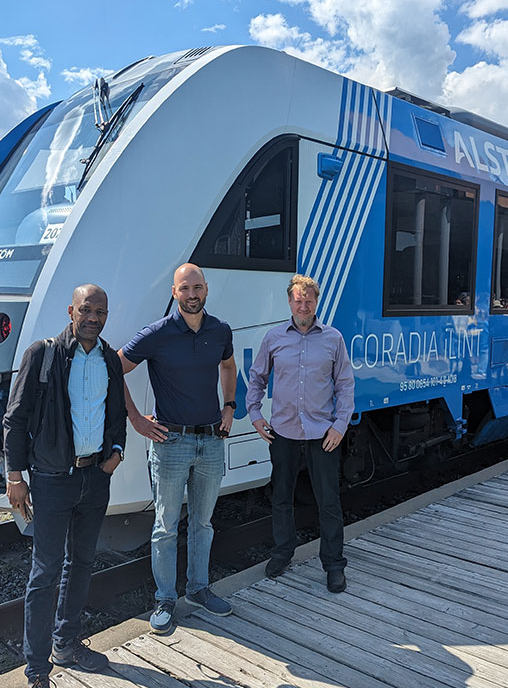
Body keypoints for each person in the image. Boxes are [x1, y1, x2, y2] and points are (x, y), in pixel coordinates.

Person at [3, 284, 127, 688]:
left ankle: (67, 643)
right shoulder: (44, 354)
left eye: (101, 311)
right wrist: (15, 478)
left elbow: (116, 412)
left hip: (95, 477)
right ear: (71, 311)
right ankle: (37, 674)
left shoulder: (110, 358)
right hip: (53, 479)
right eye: (87, 309)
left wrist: (116, 454)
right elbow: (15, 420)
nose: (94, 317)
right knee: (45, 572)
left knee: (84, 562)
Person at [119, 263, 237, 635]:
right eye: (184, 288)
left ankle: (199, 590)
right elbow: (113, 368)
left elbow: (229, 367)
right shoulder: (157, 333)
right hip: (169, 443)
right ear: (174, 293)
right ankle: (165, 598)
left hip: (210, 441)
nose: (192, 294)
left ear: (206, 289)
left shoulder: (220, 330)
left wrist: (229, 407)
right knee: (166, 526)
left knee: (202, 523)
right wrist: (136, 419)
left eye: (197, 287)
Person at [246, 274, 355, 593]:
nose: (303, 304)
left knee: (329, 501)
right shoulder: (274, 338)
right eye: (298, 299)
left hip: (324, 433)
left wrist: (340, 425)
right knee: (281, 497)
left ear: (316, 302)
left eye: (308, 299)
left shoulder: (333, 338)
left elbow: (345, 385)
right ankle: (282, 552)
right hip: (284, 433)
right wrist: (255, 415)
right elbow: (257, 378)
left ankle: (334, 564)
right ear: (289, 302)